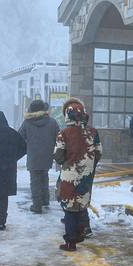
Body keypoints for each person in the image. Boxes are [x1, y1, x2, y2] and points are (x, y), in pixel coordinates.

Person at [54, 98, 102, 251]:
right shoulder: (93, 132)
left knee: (69, 208)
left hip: (69, 176)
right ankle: (82, 231)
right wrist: (88, 165)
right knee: (81, 204)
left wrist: (69, 161)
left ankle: (71, 241)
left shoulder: (63, 133)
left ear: (67, 115)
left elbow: (59, 156)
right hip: (87, 175)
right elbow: (99, 152)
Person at [18, 99, 60, 214]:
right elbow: (59, 137)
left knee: (35, 180)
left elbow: (19, 137)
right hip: (47, 155)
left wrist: (28, 144)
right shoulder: (52, 122)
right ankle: (45, 200)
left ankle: (37, 205)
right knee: (44, 176)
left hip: (33, 155)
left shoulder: (27, 123)